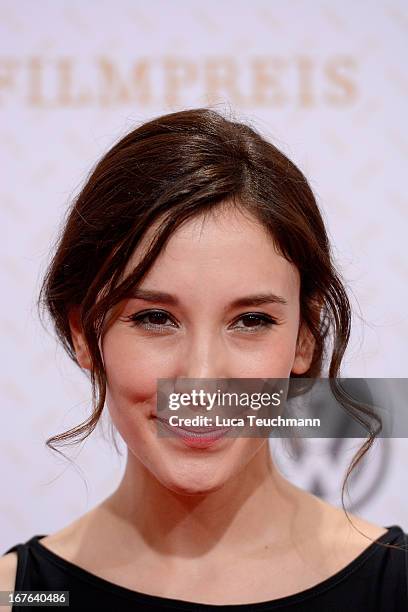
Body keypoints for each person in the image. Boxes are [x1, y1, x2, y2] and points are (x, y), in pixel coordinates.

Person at [1, 108, 407, 610]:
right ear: (84, 333)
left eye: (252, 320)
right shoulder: (18, 594)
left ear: (304, 335)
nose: (201, 376)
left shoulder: (398, 585)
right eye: (154, 318)